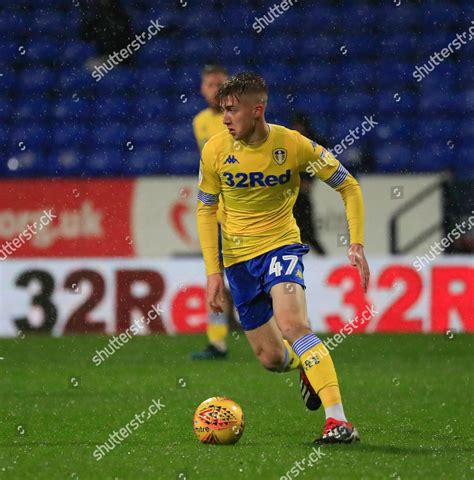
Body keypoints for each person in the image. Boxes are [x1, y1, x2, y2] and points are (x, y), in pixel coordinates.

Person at [196, 72, 370, 443]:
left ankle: (338, 421)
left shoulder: (292, 145)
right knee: (272, 359)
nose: (225, 118)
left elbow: (348, 185)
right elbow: (206, 210)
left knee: (294, 325)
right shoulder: (214, 150)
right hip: (238, 261)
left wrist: (356, 243)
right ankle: (306, 365)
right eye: (223, 110)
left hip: (280, 248)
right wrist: (214, 274)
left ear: (257, 110)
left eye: (232, 110)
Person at [191, 65, 234, 360]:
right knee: (214, 275)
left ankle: (286, 333)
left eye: (220, 84)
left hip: (244, 209)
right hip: (216, 212)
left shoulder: (240, 117)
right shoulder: (200, 122)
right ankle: (217, 342)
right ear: (202, 89)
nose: (214, 89)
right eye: (210, 84)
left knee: (254, 275)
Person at [291, 112, 326, 255]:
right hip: (293, 197)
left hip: (301, 198)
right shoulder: (292, 144)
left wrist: (308, 180)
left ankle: (323, 260)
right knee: (297, 236)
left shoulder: (310, 145)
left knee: (308, 234)